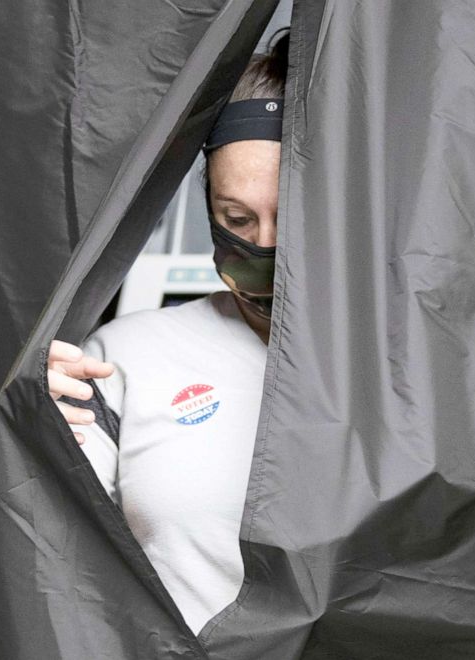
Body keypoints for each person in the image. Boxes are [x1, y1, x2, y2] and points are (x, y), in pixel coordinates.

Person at [46, 30, 289, 635]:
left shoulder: (422, 360)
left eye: (293, 217)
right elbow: (55, 562)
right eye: (235, 217)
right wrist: (28, 426)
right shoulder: (127, 357)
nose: (260, 246)